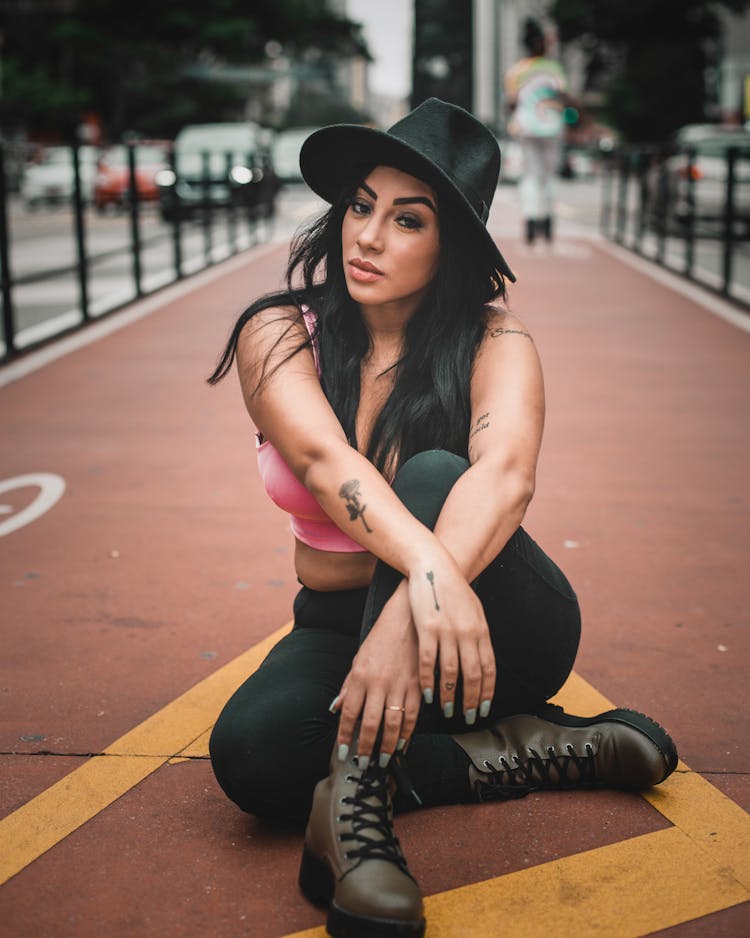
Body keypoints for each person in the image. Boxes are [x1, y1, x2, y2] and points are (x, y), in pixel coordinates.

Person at [206, 98, 678, 938]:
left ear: (449, 245)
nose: (368, 237)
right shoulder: (282, 333)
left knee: (436, 472)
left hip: (497, 625)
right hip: (342, 621)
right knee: (252, 753)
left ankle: (355, 832)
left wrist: (402, 623)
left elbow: (505, 479)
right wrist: (414, 590)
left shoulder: (496, 343)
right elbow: (326, 465)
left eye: (407, 219)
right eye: (360, 206)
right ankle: (530, 749)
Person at [505, 17, 570, 245]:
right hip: (552, 127)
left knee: (530, 176)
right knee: (548, 177)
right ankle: (548, 221)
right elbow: (564, 96)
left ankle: (530, 220)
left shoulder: (517, 70)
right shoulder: (553, 68)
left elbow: (511, 103)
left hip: (526, 127)